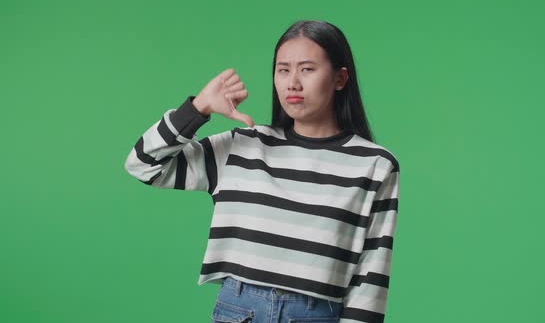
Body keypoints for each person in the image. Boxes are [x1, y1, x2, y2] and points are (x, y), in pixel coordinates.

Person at [124, 20, 400, 323]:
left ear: (339, 78)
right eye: (283, 70)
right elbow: (143, 165)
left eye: (307, 69)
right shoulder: (242, 146)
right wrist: (198, 108)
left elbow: (371, 274)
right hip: (239, 311)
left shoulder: (374, 164)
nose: (292, 82)